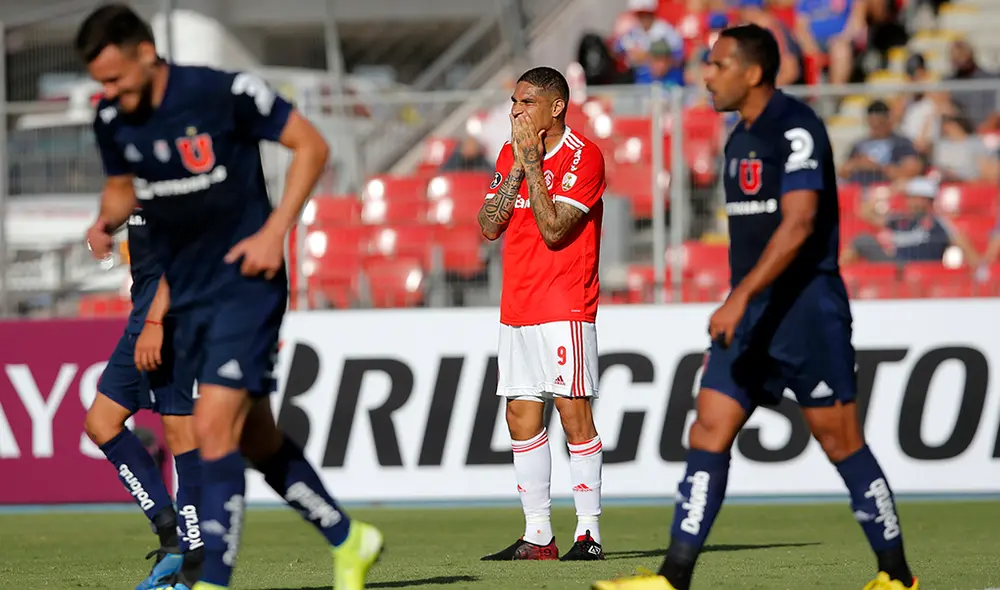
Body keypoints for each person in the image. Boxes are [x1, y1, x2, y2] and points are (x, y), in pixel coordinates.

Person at [593, 24, 918, 590]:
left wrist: (739, 296)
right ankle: (673, 577)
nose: (706, 75)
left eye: (718, 64)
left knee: (841, 441)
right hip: (749, 317)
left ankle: (897, 575)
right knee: (708, 429)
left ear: (753, 72)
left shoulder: (795, 127)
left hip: (805, 312)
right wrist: (742, 299)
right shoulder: (737, 137)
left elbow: (800, 223)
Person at [75, 5, 383, 590]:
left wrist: (274, 232)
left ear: (146, 53)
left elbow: (311, 146)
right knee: (256, 439)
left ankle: (210, 579)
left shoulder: (223, 93)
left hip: (245, 282)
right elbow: (119, 189)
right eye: (100, 83)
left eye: (115, 79)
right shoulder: (112, 118)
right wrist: (103, 222)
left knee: (212, 427)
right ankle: (349, 538)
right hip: (188, 291)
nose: (109, 94)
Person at [477, 66, 607, 562]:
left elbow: (554, 230)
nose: (516, 111)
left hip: (564, 302)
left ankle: (588, 533)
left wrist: (531, 162)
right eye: (514, 102)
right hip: (518, 304)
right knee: (520, 415)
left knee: (573, 413)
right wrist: (518, 165)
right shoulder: (510, 154)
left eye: (527, 102)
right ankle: (537, 536)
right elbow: (489, 225)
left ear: (556, 106)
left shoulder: (584, 156)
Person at [83, 206, 202, 590]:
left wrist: (155, 320)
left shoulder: (176, 180)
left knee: (181, 433)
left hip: (173, 318)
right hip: (143, 316)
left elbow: (186, 252)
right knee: (101, 422)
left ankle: (196, 562)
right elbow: (124, 200)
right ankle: (171, 537)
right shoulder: (137, 180)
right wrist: (103, 225)